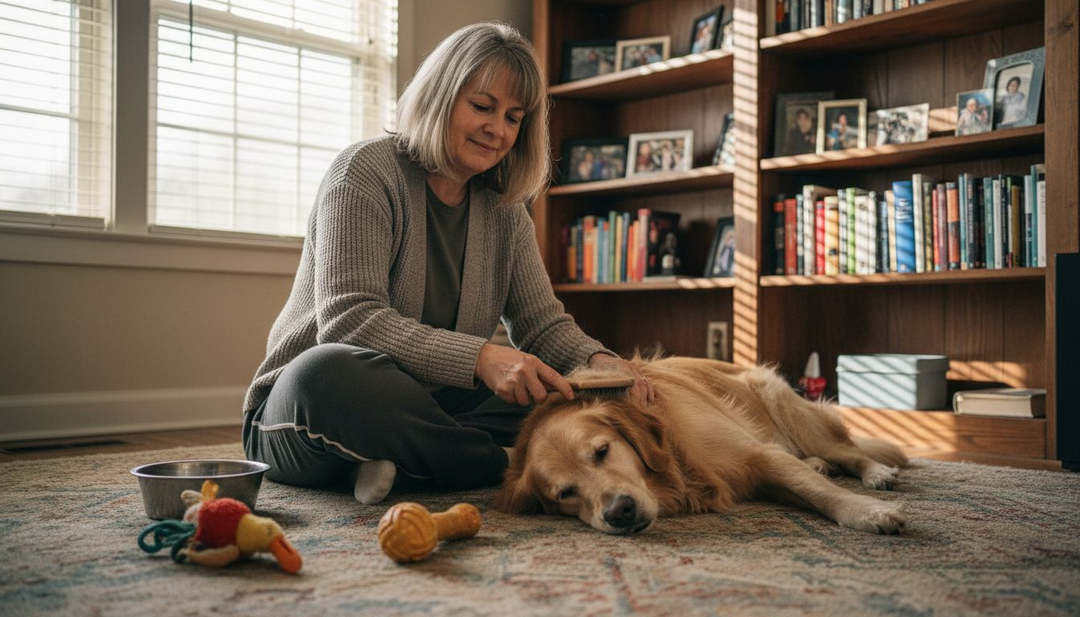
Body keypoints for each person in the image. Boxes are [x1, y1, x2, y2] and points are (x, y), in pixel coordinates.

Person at [241, 22, 653, 506]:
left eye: (514, 118)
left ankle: (405, 461)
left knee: (562, 394)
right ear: (440, 96)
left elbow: (542, 326)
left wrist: (601, 364)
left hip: (432, 407)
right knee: (324, 373)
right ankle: (500, 463)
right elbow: (349, 320)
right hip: (308, 411)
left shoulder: (505, 210)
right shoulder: (363, 172)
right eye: (482, 106)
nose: (498, 130)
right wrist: (481, 357)